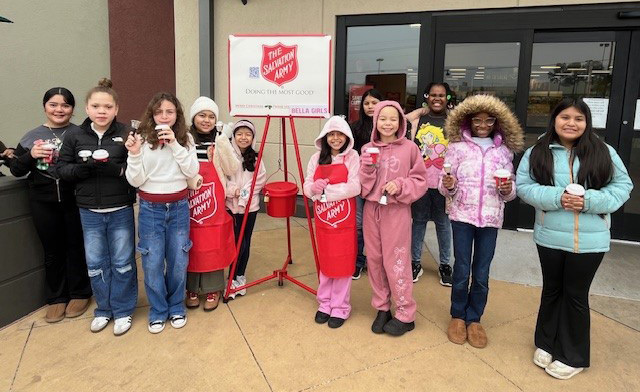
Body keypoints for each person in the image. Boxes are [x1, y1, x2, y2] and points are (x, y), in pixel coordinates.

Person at [516, 98, 632, 380]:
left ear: (587, 122)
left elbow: (623, 186)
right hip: (549, 236)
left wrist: (589, 201)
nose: (571, 123)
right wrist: (557, 197)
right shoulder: (538, 151)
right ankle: (545, 342)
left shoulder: (604, 151)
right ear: (554, 119)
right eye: (565, 117)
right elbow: (523, 187)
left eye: (578, 118)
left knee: (576, 296)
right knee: (552, 290)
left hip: (590, 241)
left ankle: (573, 355)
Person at [439, 94, 524, 348]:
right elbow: (443, 184)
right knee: (462, 269)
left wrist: (507, 188)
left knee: (482, 272)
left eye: (489, 120)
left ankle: (474, 318)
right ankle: (457, 315)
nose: (483, 125)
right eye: (477, 120)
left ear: (497, 122)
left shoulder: (504, 150)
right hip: (462, 216)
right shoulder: (456, 147)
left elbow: (509, 192)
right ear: (468, 120)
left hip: (490, 218)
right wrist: (449, 186)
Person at [57, 79, 137, 335]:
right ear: (87, 108)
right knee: (95, 263)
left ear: (116, 109)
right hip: (88, 210)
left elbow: (137, 171)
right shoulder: (74, 135)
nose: (102, 111)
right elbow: (61, 168)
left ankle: (123, 310)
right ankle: (104, 309)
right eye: (96, 106)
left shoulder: (126, 134)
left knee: (123, 261)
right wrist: (82, 170)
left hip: (120, 208)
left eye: (107, 106)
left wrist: (118, 170)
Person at [10, 87, 92, 323]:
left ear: (73, 109)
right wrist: (30, 155)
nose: (59, 109)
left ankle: (80, 293)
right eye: (54, 104)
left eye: (65, 105)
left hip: (74, 198)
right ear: (45, 106)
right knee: (52, 250)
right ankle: (56, 298)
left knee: (76, 247)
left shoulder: (80, 133)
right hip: (42, 201)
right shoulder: (31, 136)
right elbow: (16, 169)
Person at [125, 92, 199, 333]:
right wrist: (134, 154)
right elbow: (135, 179)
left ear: (176, 114)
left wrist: (175, 144)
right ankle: (158, 310)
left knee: (178, 260)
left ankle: (176, 306)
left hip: (178, 207)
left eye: (169, 111)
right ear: (151, 115)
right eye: (159, 112)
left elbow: (192, 170)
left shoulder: (185, 138)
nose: (164, 116)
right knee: (153, 262)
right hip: (150, 209)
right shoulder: (143, 139)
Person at [359, 101, 428, 336]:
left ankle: (406, 313)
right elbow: (363, 185)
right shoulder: (368, 148)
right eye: (382, 119)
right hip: (372, 209)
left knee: (396, 260)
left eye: (393, 119)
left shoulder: (410, 148)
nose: (387, 124)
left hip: (396, 212)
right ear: (375, 121)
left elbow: (420, 181)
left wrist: (400, 185)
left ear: (400, 123)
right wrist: (367, 169)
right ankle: (382, 307)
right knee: (375, 260)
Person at [304, 116, 360, 329]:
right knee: (326, 262)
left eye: (340, 135)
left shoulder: (353, 157)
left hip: (344, 224)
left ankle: (341, 307)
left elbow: (355, 187)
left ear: (347, 137)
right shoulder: (316, 158)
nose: (336, 139)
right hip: (324, 223)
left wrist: (326, 191)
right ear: (325, 136)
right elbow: (307, 186)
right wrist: (313, 189)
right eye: (331, 134)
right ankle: (325, 303)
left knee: (343, 264)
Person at [185, 97, 239, 310]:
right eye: (202, 115)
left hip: (215, 202)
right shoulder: (184, 139)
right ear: (193, 117)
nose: (206, 120)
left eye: (211, 116)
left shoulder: (219, 140)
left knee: (213, 244)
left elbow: (231, 168)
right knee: (192, 244)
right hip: (190, 203)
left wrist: (223, 143)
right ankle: (191, 288)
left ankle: (212, 288)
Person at [405, 82, 453, 285]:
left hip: (444, 183)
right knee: (419, 222)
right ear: (426, 96)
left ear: (447, 98)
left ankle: (444, 264)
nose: (437, 98)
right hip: (420, 182)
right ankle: (415, 262)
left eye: (442, 95)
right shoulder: (418, 119)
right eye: (433, 94)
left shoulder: (455, 120)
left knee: (443, 224)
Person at [226, 119, 266, 298]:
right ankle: (231, 277)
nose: (244, 137)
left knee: (245, 241)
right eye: (240, 134)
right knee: (233, 242)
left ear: (253, 137)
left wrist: (244, 194)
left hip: (250, 207)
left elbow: (259, 179)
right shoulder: (226, 155)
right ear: (234, 136)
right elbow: (222, 178)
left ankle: (239, 275)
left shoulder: (256, 157)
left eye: (248, 134)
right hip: (230, 206)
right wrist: (233, 191)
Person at [350, 89, 383, 280]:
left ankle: (376, 262)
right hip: (360, 184)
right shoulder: (355, 128)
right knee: (359, 224)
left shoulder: (387, 127)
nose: (370, 106)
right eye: (367, 103)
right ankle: (358, 262)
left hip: (381, 185)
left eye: (374, 102)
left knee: (379, 225)